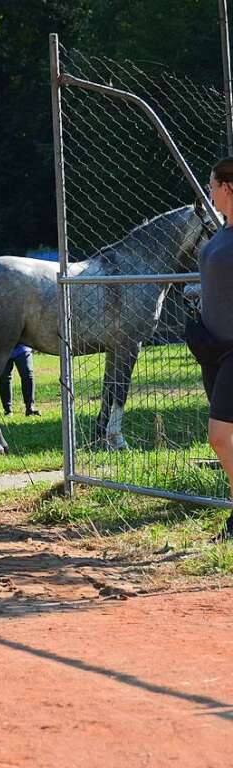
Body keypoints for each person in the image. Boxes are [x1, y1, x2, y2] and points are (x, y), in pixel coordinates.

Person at [195, 158, 233, 538]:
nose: (209, 192)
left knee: (220, 436)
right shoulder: (222, 231)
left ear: (228, 187)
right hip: (214, 350)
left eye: (211, 185)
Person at [0, 344, 40, 417]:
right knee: (4, 378)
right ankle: (7, 410)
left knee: (27, 374)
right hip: (3, 347)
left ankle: (30, 408)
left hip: (22, 347)